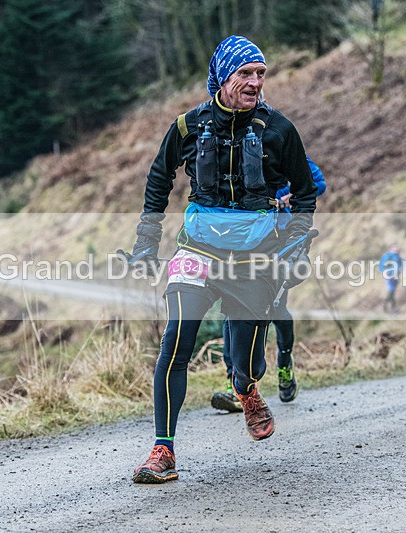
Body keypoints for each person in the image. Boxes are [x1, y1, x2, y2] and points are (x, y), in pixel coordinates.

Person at [130, 35, 317, 484]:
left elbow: (305, 192)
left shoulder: (279, 130)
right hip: (197, 248)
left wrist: (295, 245)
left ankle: (245, 388)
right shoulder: (188, 126)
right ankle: (163, 451)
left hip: (255, 256)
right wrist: (146, 243)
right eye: (246, 74)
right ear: (223, 77)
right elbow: (158, 182)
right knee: (176, 341)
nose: (255, 82)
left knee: (247, 361)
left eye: (261, 74)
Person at [211, 156, 326, 412]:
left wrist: (287, 199)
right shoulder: (235, 150)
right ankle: (236, 383)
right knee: (233, 308)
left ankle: (284, 364)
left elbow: (318, 183)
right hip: (243, 240)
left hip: (281, 239)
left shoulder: (287, 148)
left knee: (273, 308)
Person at [379, 244, 403, 314]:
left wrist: (400, 271)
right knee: (391, 291)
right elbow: (382, 265)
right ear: (391, 249)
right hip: (389, 276)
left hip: (396, 276)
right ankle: (393, 308)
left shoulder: (399, 256)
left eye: (397, 248)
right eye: (394, 248)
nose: (396, 249)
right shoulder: (387, 256)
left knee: (393, 292)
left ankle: (385, 304)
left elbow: (402, 265)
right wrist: (386, 273)